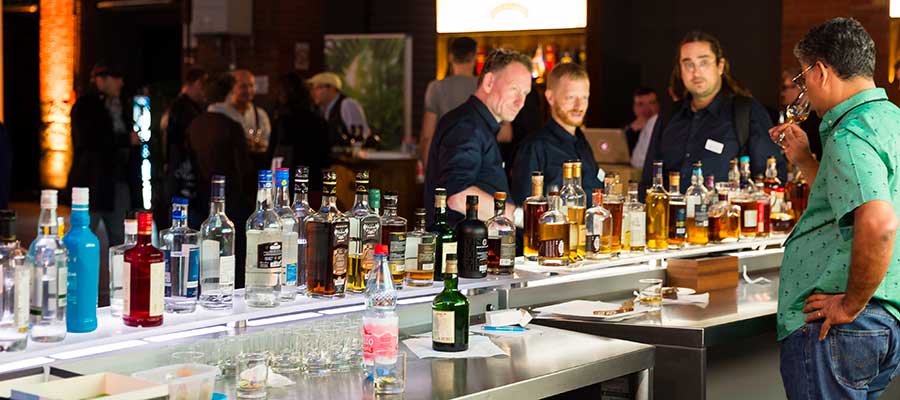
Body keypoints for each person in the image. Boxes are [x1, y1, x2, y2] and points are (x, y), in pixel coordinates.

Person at [772, 18, 900, 399]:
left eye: (803, 78)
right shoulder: (891, 121)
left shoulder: (850, 133)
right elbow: (849, 201)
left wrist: (849, 305)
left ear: (821, 71)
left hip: (843, 327)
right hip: (883, 321)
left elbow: (879, 223)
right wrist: (805, 161)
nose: (805, 90)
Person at [640, 31, 785, 195]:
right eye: (688, 64)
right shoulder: (668, 116)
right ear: (680, 70)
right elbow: (648, 183)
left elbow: (771, 180)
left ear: (720, 66)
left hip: (725, 210)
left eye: (703, 63)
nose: (696, 73)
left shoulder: (746, 112)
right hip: (669, 211)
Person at [424, 48, 532, 226]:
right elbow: (458, 196)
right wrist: (521, 217)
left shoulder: (478, 125)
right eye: (514, 89)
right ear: (489, 82)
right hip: (458, 243)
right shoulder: (466, 126)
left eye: (525, 93)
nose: (520, 102)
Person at [186, 72, 254, 288]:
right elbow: (243, 169)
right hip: (231, 199)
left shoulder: (195, 124)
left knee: (207, 252)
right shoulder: (231, 126)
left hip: (201, 197)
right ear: (229, 95)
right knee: (232, 253)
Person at [68, 64, 140, 246]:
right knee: (82, 238)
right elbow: (88, 140)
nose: (120, 83)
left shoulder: (120, 106)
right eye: (116, 78)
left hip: (118, 184)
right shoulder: (85, 106)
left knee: (121, 241)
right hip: (93, 183)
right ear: (101, 80)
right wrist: (125, 139)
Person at [511, 63, 601, 207]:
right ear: (550, 97)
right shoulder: (534, 147)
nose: (579, 106)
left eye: (584, 97)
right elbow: (524, 209)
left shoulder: (582, 142)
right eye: (571, 97)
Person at [271, 71, 330, 201]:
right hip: (314, 182)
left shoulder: (284, 121)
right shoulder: (319, 120)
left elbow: (273, 154)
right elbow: (326, 158)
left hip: (288, 182)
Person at [420, 36, 478, 166]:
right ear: (474, 57)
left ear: (450, 57)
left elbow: (427, 136)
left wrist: (428, 169)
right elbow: (505, 134)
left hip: (446, 163)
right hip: (479, 164)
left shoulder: (436, 88)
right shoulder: (485, 87)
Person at [162, 67, 207, 200]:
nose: (205, 94)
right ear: (198, 84)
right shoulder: (185, 108)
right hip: (184, 170)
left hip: (177, 168)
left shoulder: (177, 105)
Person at [307, 71, 369, 148]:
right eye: (312, 88)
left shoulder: (347, 104)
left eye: (318, 87)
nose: (313, 92)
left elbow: (359, 136)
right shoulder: (320, 109)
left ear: (332, 89)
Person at [225, 70, 272, 168]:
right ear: (231, 88)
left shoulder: (260, 114)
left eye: (251, 86)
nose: (249, 90)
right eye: (243, 86)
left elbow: (268, 144)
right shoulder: (223, 113)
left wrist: (258, 144)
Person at [778, 67, 822, 161]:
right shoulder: (789, 115)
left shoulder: (816, 120)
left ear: (800, 88)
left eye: (785, 88)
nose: (782, 93)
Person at [625, 88, 660, 169]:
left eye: (651, 103)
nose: (646, 108)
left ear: (658, 105)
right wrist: (630, 132)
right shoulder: (628, 128)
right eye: (640, 104)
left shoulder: (666, 127)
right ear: (633, 107)